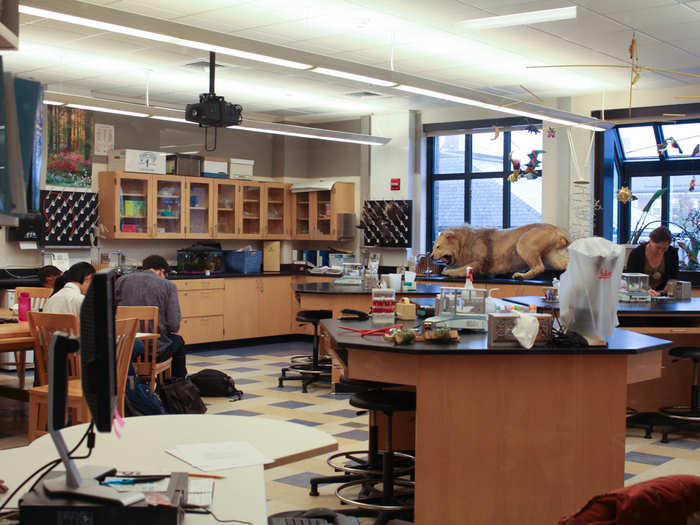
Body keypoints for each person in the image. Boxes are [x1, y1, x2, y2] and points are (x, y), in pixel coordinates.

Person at [115, 255, 187, 379]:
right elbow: (174, 325)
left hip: (126, 348)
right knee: (178, 341)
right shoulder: (168, 286)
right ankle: (175, 386)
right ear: (162, 271)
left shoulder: (121, 281)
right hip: (154, 351)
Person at [625, 226, 679, 297]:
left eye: (664, 248)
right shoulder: (637, 253)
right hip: (640, 294)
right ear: (650, 241)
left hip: (662, 295)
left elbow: (674, 276)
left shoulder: (672, 252)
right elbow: (632, 278)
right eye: (658, 247)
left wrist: (665, 291)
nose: (660, 252)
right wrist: (646, 291)